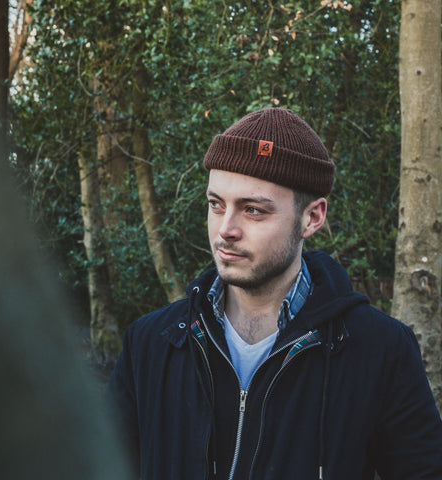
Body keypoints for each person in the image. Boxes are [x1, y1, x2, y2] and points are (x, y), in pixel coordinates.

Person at [106, 108, 442, 480]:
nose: (226, 229)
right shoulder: (150, 344)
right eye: (216, 204)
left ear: (312, 218)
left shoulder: (380, 349)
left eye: (253, 210)